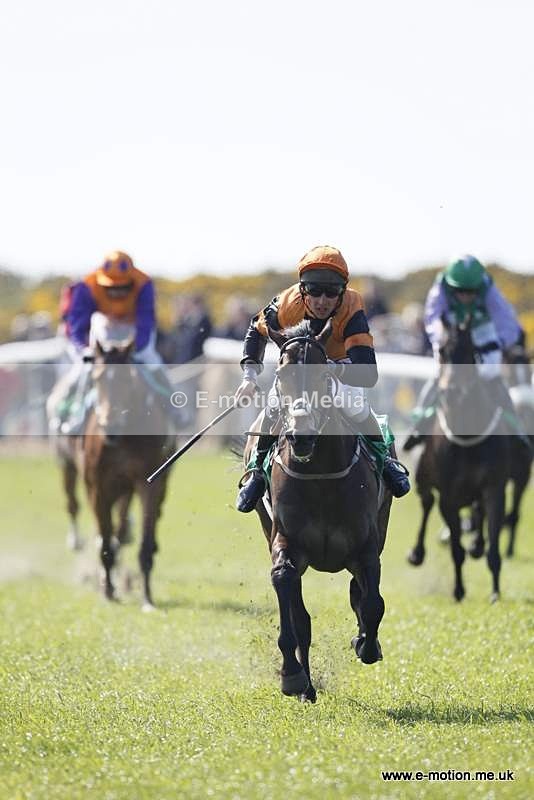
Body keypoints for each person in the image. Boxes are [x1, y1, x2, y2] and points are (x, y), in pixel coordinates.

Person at [234, 245, 411, 512]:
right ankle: (257, 471)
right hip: (298, 367)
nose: (322, 300)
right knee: (273, 405)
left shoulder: (352, 306)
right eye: (314, 291)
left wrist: (330, 369)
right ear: (303, 290)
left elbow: (367, 372)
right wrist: (249, 376)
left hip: (337, 365)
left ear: (343, 292)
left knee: (354, 404)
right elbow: (255, 330)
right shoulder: (286, 303)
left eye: (331, 292)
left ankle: (385, 462)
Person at [404, 254, 530, 450]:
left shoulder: (488, 288)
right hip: (451, 332)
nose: (466, 296)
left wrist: (499, 343)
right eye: (460, 291)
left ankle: (516, 429)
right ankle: (419, 424)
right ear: (452, 286)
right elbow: (432, 318)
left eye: (471, 291)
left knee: (491, 374)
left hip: (482, 332)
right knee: (440, 375)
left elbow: (506, 323)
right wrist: (442, 339)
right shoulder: (441, 287)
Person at [48, 251, 172, 434]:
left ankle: (174, 407)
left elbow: (146, 323)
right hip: (101, 329)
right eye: (111, 287)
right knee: (82, 369)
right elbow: (77, 326)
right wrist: (85, 350)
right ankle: (71, 414)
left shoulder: (144, 284)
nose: (116, 292)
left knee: (153, 363)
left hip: (133, 332)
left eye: (122, 287)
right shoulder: (86, 285)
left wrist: (133, 348)